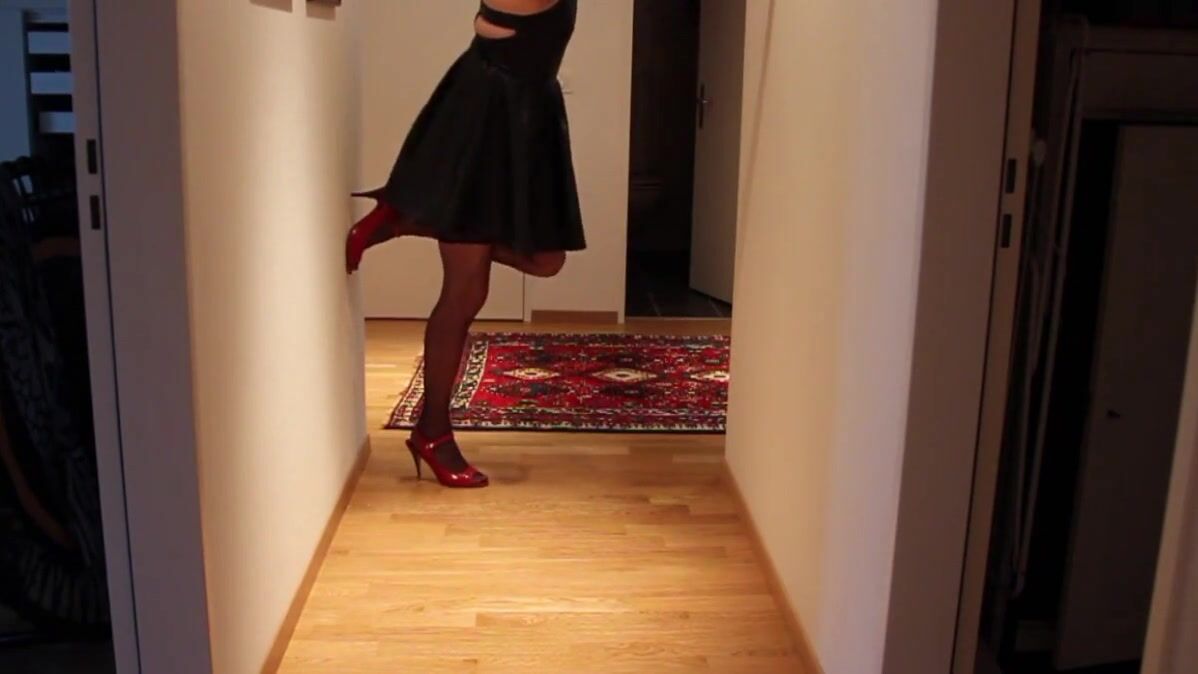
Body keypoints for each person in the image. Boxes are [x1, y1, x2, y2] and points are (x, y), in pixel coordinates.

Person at [345, 0, 585, 489]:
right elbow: (491, 26)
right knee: (464, 292)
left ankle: (408, 220)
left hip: (517, 119)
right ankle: (432, 431)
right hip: (486, 125)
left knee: (546, 260)